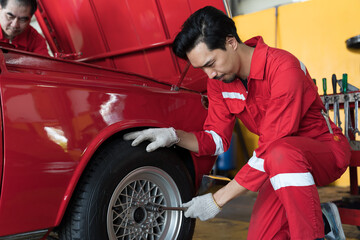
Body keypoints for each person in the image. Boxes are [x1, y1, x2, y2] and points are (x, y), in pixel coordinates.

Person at [124, 6, 351, 240]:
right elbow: (216, 140)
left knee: (280, 152)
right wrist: (175, 136)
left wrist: (217, 199)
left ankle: (315, 234)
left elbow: (273, 144)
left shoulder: (283, 68)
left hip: (325, 152)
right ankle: (324, 222)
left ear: (231, 42)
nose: (209, 74)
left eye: (210, 63)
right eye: (202, 68)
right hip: (277, 164)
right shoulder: (218, 84)